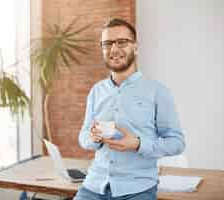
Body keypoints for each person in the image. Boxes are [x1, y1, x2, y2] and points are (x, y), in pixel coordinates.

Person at [74, 18, 186, 200]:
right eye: (107, 43)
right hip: (93, 186)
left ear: (135, 47)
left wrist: (138, 144)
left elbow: (177, 142)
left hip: (137, 190)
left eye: (122, 42)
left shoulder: (158, 92)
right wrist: (93, 138)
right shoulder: (96, 91)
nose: (114, 49)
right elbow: (83, 137)